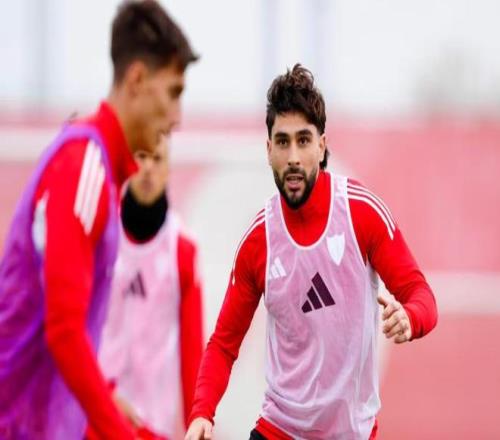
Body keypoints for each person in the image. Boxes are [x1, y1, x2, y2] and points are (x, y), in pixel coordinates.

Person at [185, 64, 438, 440]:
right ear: (268, 150)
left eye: (303, 140)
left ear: (321, 146)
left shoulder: (361, 213)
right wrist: (202, 413)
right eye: (282, 142)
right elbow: (224, 343)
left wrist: (410, 318)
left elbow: (421, 295)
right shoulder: (259, 240)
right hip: (278, 429)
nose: (293, 156)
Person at [0, 1, 197, 438]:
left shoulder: (99, 172)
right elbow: (64, 331)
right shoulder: (83, 165)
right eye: (173, 93)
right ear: (137, 80)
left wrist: (104, 397)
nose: (177, 118)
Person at [98, 136, 204, 439]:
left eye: (156, 159)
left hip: (151, 426)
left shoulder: (183, 248)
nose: (147, 168)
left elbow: (192, 350)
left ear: (168, 169)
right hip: (95, 416)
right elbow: (74, 326)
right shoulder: (101, 235)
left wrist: (196, 422)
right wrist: (101, 393)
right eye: (140, 157)